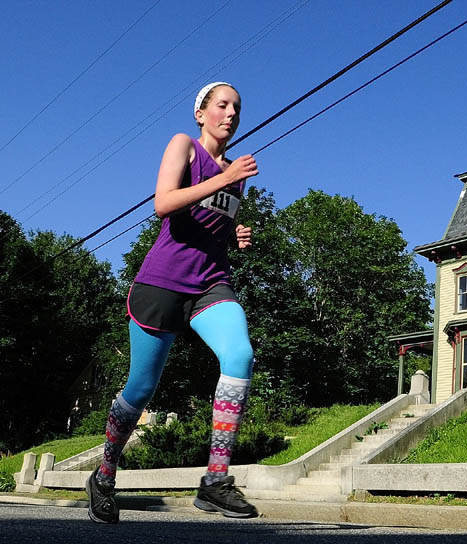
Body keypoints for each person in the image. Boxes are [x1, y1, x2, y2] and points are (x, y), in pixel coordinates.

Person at [86, 82, 260, 524]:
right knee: (141, 388)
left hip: (210, 283)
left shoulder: (232, 176)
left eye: (236, 108)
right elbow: (164, 204)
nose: (231, 114)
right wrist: (224, 178)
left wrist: (234, 236)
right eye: (222, 105)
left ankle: (215, 481)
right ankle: (105, 475)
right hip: (163, 282)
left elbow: (208, 225)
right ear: (200, 113)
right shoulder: (185, 147)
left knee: (239, 354)